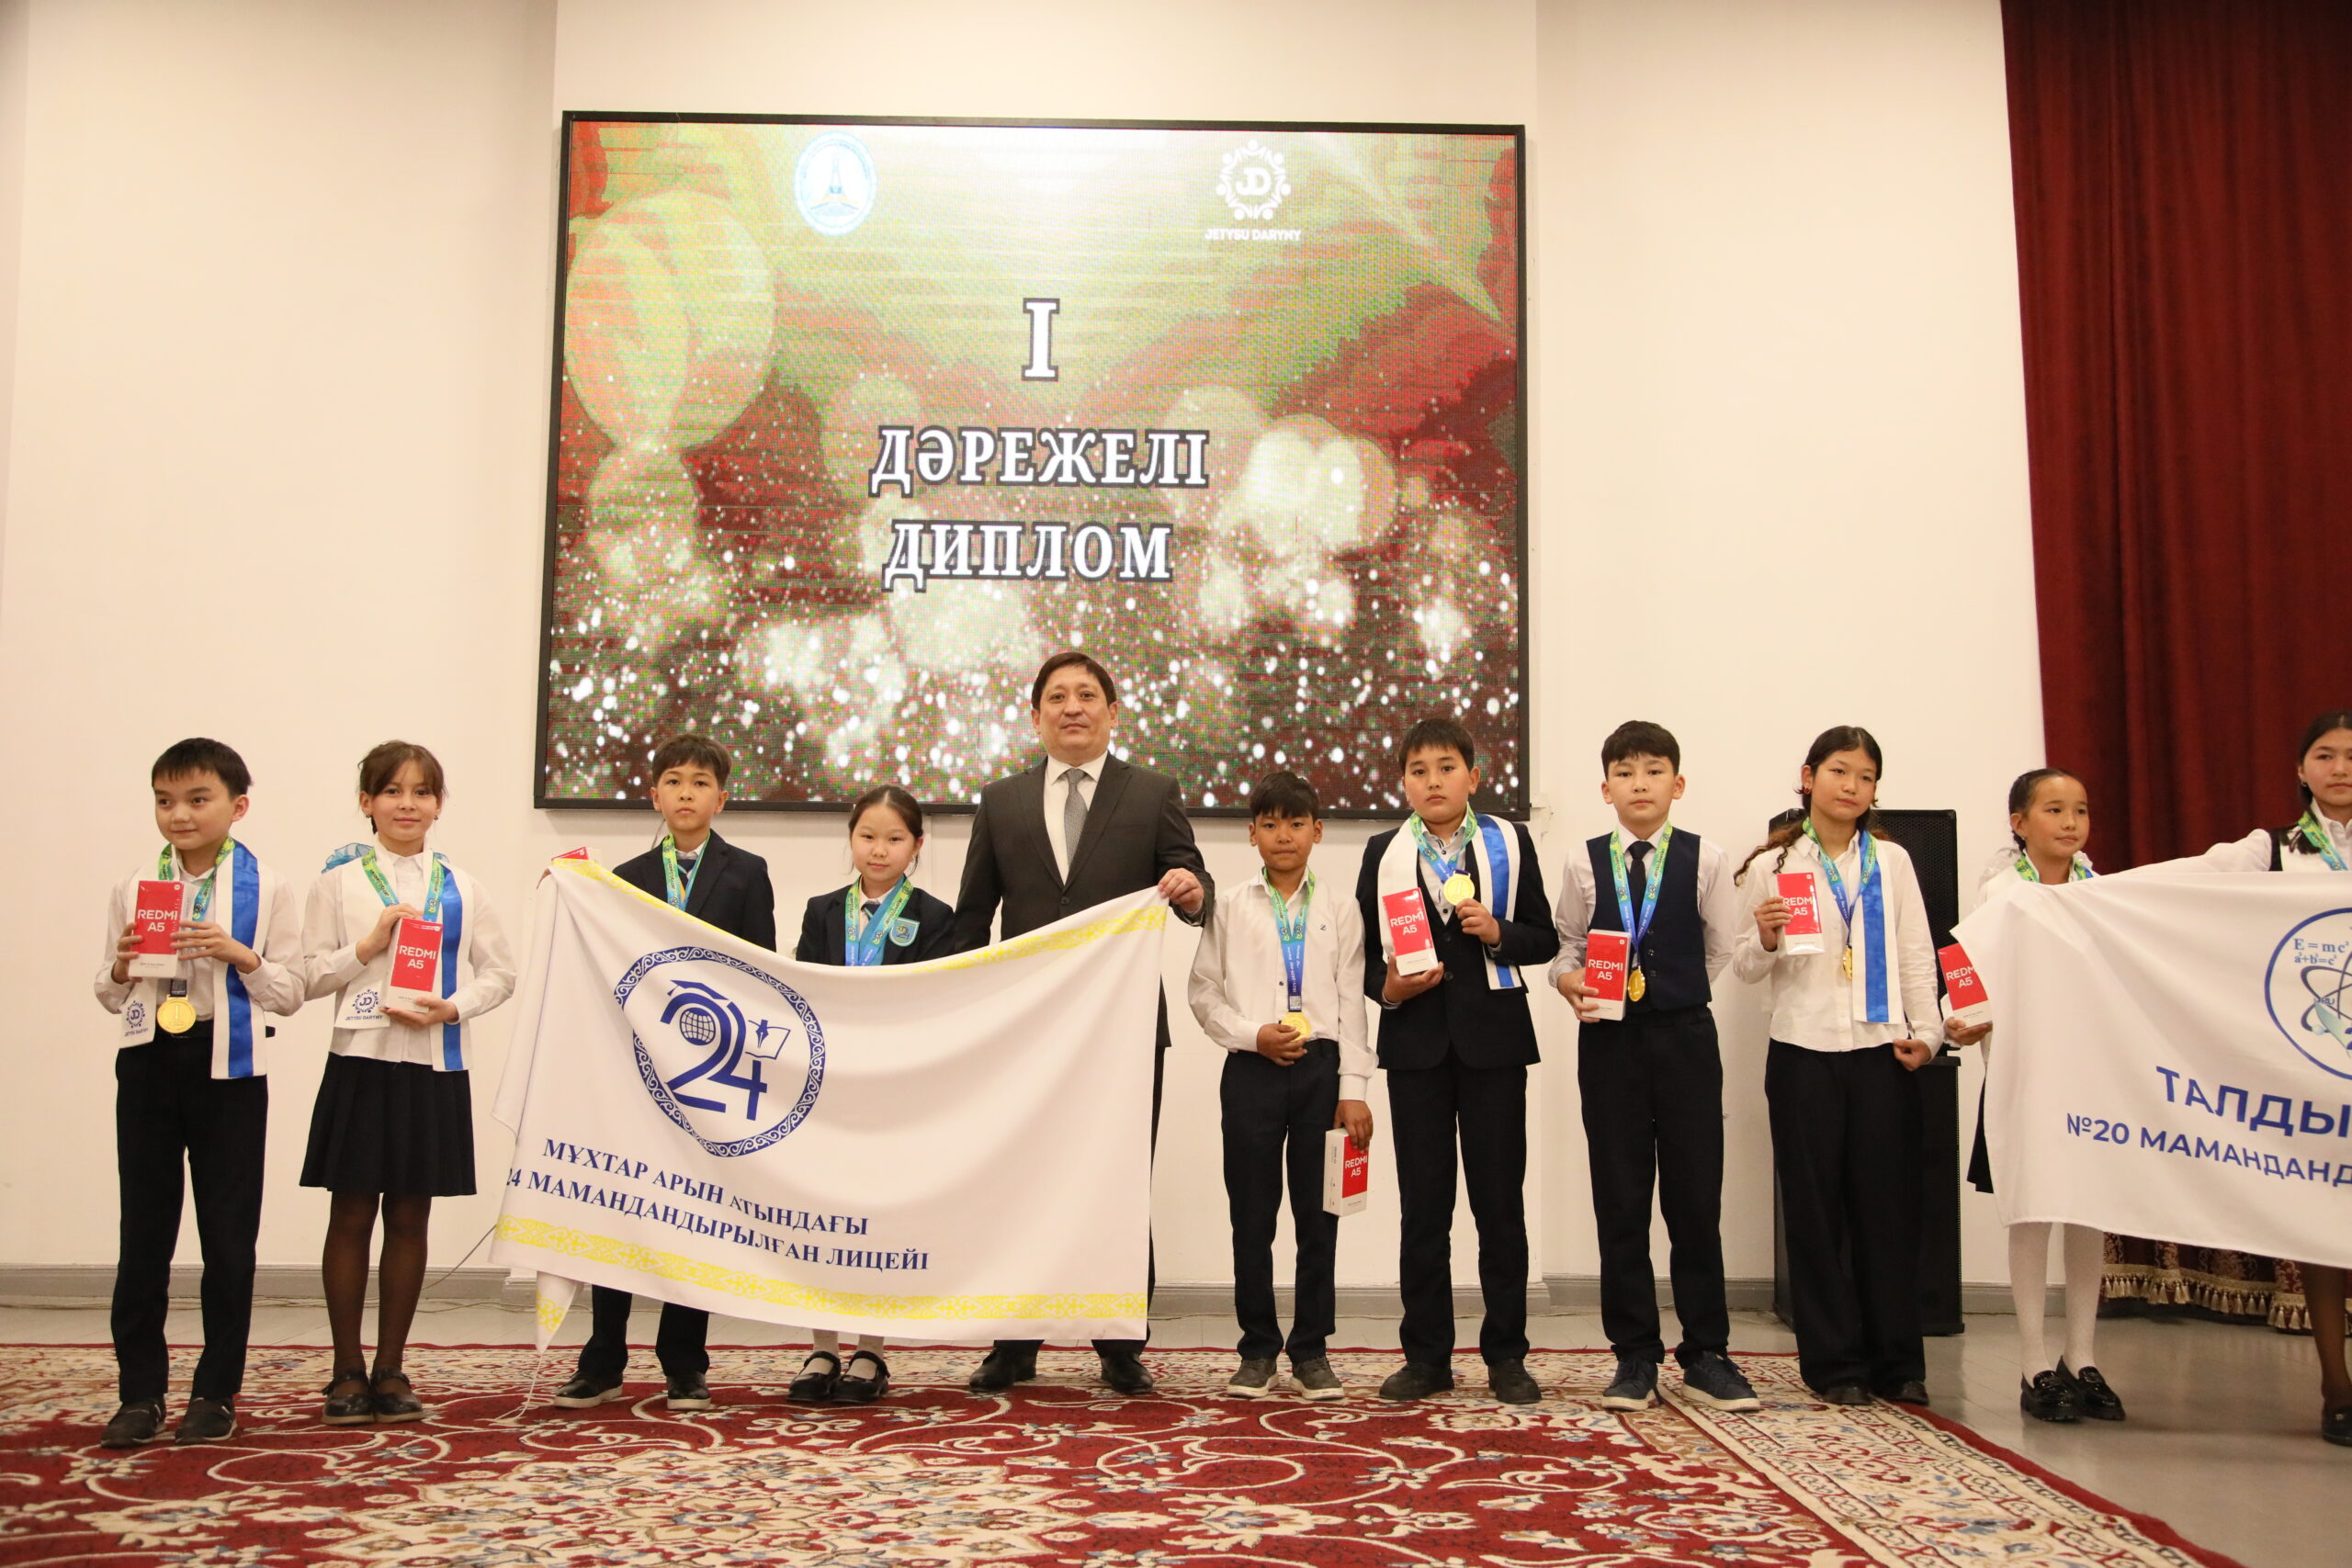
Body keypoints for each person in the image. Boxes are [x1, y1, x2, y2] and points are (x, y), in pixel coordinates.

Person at [956, 649, 1213, 1397]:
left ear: (1112, 710)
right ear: (1036, 715)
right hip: (1025, 1033)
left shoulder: (1153, 792)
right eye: (1058, 697)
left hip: (1123, 1030)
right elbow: (972, 918)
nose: (1073, 707)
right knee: (1021, 1181)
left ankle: (1121, 1343)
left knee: (1119, 1182)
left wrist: (1192, 890)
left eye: (1088, 694)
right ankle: (1014, 1342)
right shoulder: (1001, 800)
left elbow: (1196, 884)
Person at [93, 739, 305, 1448]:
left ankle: (215, 1391)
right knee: (143, 1234)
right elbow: (107, 991)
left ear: (237, 806)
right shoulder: (135, 884)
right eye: (164, 800)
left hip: (231, 1070)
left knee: (229, 1237)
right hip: (149, 1061)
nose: (178, 814)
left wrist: (238, 953)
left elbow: (291, 991)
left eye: (196, 799)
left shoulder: (268, 887)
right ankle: (139, 1392)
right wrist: (121, 965)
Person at [555, 734, 775, 1415]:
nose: (686, 793)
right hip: (632, 1069)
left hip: (708, 1075)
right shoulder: (622, 878)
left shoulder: (748, 872)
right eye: (674, 781)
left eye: (701, 782)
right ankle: (602, 1360)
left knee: (696, 1213)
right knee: (622, 1208)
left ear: (722, 798)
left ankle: (685, 1363)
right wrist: (564, 890)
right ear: (654, 795)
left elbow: (762, 971)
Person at [300, 740, 515, 1426]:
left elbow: (500, 973)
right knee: (350, 1212)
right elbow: (306, 976)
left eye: (422, 792)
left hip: (431, 1063)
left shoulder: (463, 887)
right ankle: (346, 1370)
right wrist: (364, 948)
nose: (407, 804)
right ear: (367, 802)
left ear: (439, 805)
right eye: (392, 791)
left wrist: (453, 1007)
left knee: (410, 1215)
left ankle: (391, 1367)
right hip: (360, 1060)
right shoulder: (337, 883)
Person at [1550, 722, 1758, 1413]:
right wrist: (1568, 981)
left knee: (1695, 1199)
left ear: (1678, 783)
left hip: (1686, 1039)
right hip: (1609, 1043)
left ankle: (1707, 1353)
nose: (1640, 784)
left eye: (1654, 770)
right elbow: (1567, 945)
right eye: (1625, 772)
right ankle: (1634, 1354)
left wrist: (1672, 992)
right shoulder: (1584, 863)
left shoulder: (1706, 858)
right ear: (1605, 787)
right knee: (1620, 1198)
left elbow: (1720, 947)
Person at [1730, 726, 1940, 1407]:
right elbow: (1744, 966)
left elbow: (1916, 953)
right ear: (1808, 776)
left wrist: (1929, 1034)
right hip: (1803, 1052)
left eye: (1866, 776)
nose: (1852, 786)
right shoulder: (1774, 863)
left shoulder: (1893, 861)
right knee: (1814, 1214)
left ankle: (1897, 1361)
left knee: (1887, 1210)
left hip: (1882, 1052)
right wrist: (1766, 936)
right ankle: (1834, 1364)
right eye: (1840, 771)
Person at [1357, 716, 1558, 1404]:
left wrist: (1500, 932)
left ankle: (1507, 1355)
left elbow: (1543, 937)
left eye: (1446, 768)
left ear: (1473, 776)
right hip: (1415, 1048)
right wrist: (1389, 989)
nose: (1433, 781)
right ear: (1404, 783)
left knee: (1500, 1204)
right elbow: (1362, 959)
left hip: (1494, 1045)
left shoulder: (1510, 841)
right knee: (1424, 1207)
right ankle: (1426, 1357)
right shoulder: (1383, 852)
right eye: (1419, 771)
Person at [2177, 708, 2352, 1446]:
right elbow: (2174, 888)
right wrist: (2069, 892)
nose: (2341, 768)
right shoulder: (2270, 850)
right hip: (2308, 1060)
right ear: (2300, 769)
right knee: (2323, 1220)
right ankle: (2336, 1385)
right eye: (2326, 754)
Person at [1186, 770, 1373, 1403]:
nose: (1283, 835)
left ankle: (1312, 1349)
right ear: (1251, 834)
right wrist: (1251, 1035)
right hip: (1252, 1068)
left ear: (1317, 831)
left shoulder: (1340, 908)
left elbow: (1352, 1002)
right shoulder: (1230, 906)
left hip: (1322, 1071)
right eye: (1269, 824)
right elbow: (1203, 992)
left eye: (1295, 823)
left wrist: (1354, 1087)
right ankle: (1258, 1349)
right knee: (1252, 1215)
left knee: (1320, 1217)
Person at [1949, 766, 2121, 1425]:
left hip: (2090, 1073)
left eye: (2080, 809)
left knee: (2087, 1208)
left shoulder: (2103, 892)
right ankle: (2032, 1360)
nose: (2070, 822)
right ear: (2019, 823)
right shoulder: (2001, 893)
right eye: (2054, 809)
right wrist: (1961, 1020)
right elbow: (1966, 969)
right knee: (2031, 1209)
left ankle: (2083, 1355)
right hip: (2025, 1072)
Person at [784, 783, 956, 1404]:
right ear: (851, 838)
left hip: (896, 1088)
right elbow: (802, 990)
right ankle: (822, 1345)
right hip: (826, 1087)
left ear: (917, 845)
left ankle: (870, 1350)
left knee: (882, 1216)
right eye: (867, 836)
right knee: (819, 1210)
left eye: (894, 838)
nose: (879, 850)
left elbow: (939, 1001)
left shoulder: (937, 917)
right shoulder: (822, 910)